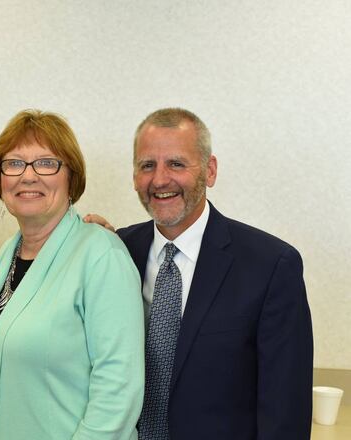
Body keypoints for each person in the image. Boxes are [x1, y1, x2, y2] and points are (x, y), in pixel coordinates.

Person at [118, 108, 313, 439]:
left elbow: (285, 411)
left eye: (176, 164)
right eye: (147, 165)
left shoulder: (271, 266)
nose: (160, 179)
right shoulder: (116, 252)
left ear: (209, 171)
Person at [0, 109, 145, 439]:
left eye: (46, 163)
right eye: (14, 163)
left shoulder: (101, 254)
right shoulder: (5, 256)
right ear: (0, 181)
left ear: (72, 177)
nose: (28, 176)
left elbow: (118, 386)